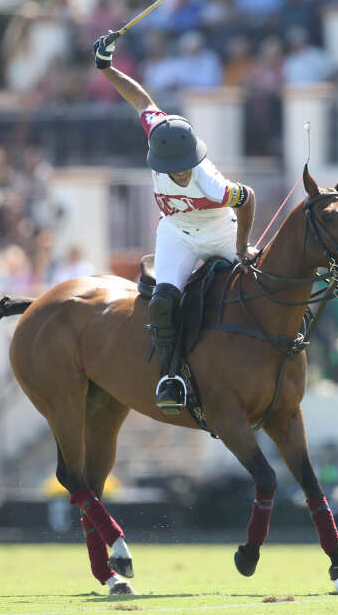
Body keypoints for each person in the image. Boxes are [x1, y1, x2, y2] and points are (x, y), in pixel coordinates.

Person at [93, 32, 257, 412]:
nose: (179, 176)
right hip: (177, 233)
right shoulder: (160, 131)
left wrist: (242, 246)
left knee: (249, 293)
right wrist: (107, 68)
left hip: (220, 233)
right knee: (163, 302)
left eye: (183, 171)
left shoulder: (211, 183)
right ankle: (171, 377)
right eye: (172, 171)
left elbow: (247, 198)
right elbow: (141, 100)